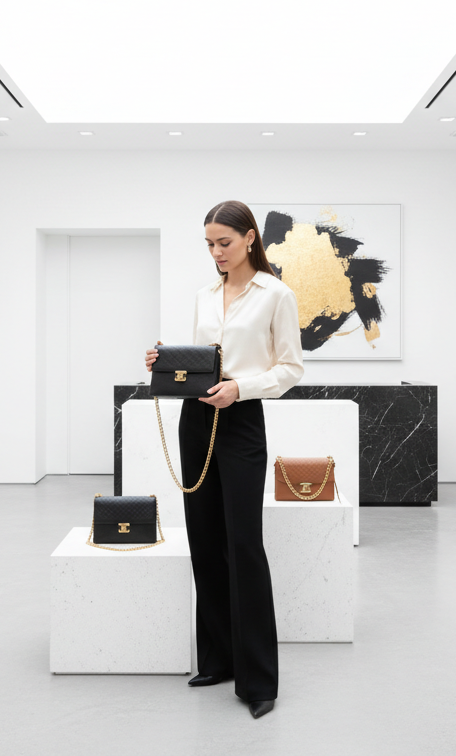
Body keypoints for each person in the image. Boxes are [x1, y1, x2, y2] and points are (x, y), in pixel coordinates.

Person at [144, 200, 304, 719]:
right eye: (209, 244)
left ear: (250, 238)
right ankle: (217, 658)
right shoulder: (205, 295)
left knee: (244, 545)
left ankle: (259, 680)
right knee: (205, 541)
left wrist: (241, 388)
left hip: (240, 423)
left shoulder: (276, 294)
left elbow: (289, 369)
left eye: (224, 243)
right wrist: (166, 361)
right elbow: (203, 362)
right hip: (197, 419)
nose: (216, 253)